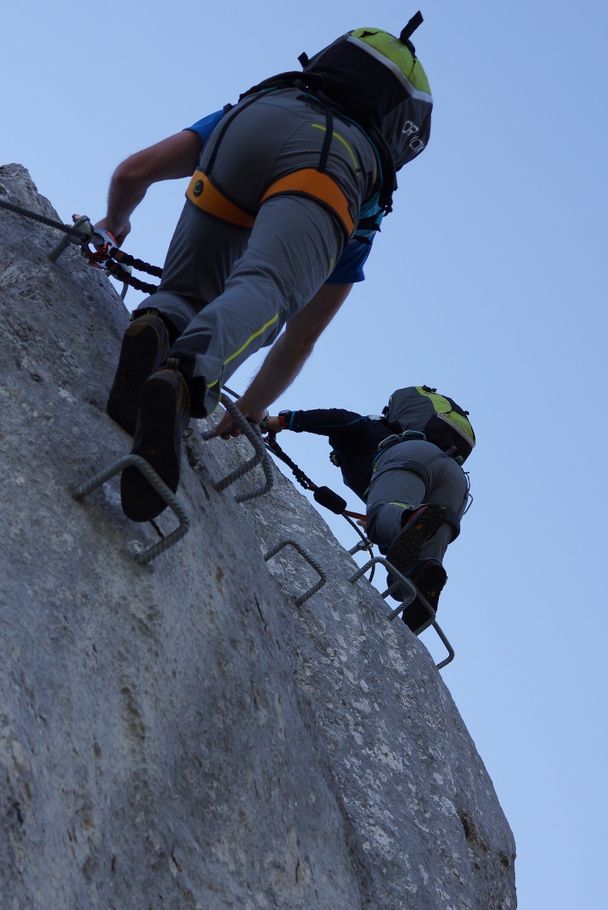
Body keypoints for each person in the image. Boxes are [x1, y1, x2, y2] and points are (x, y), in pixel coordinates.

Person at [97, 19, 433, 523]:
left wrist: (112, 224)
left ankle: (158, 325)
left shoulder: (265, 99)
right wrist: (252, 407)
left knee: (186, 290)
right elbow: (301, 335)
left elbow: (132, 172)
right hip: (333, 164)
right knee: (270, 287)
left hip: (245, 129)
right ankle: (185, 377)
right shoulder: (368, 191)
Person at [265, 386, 475, 634]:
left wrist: (280, 421)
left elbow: (338, 419)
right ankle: (418, 591)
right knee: (417, 564)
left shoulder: (373, 426)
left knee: (387, 517)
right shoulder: (415, 436)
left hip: (410, 456)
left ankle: (407, 519)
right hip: (457, 482)